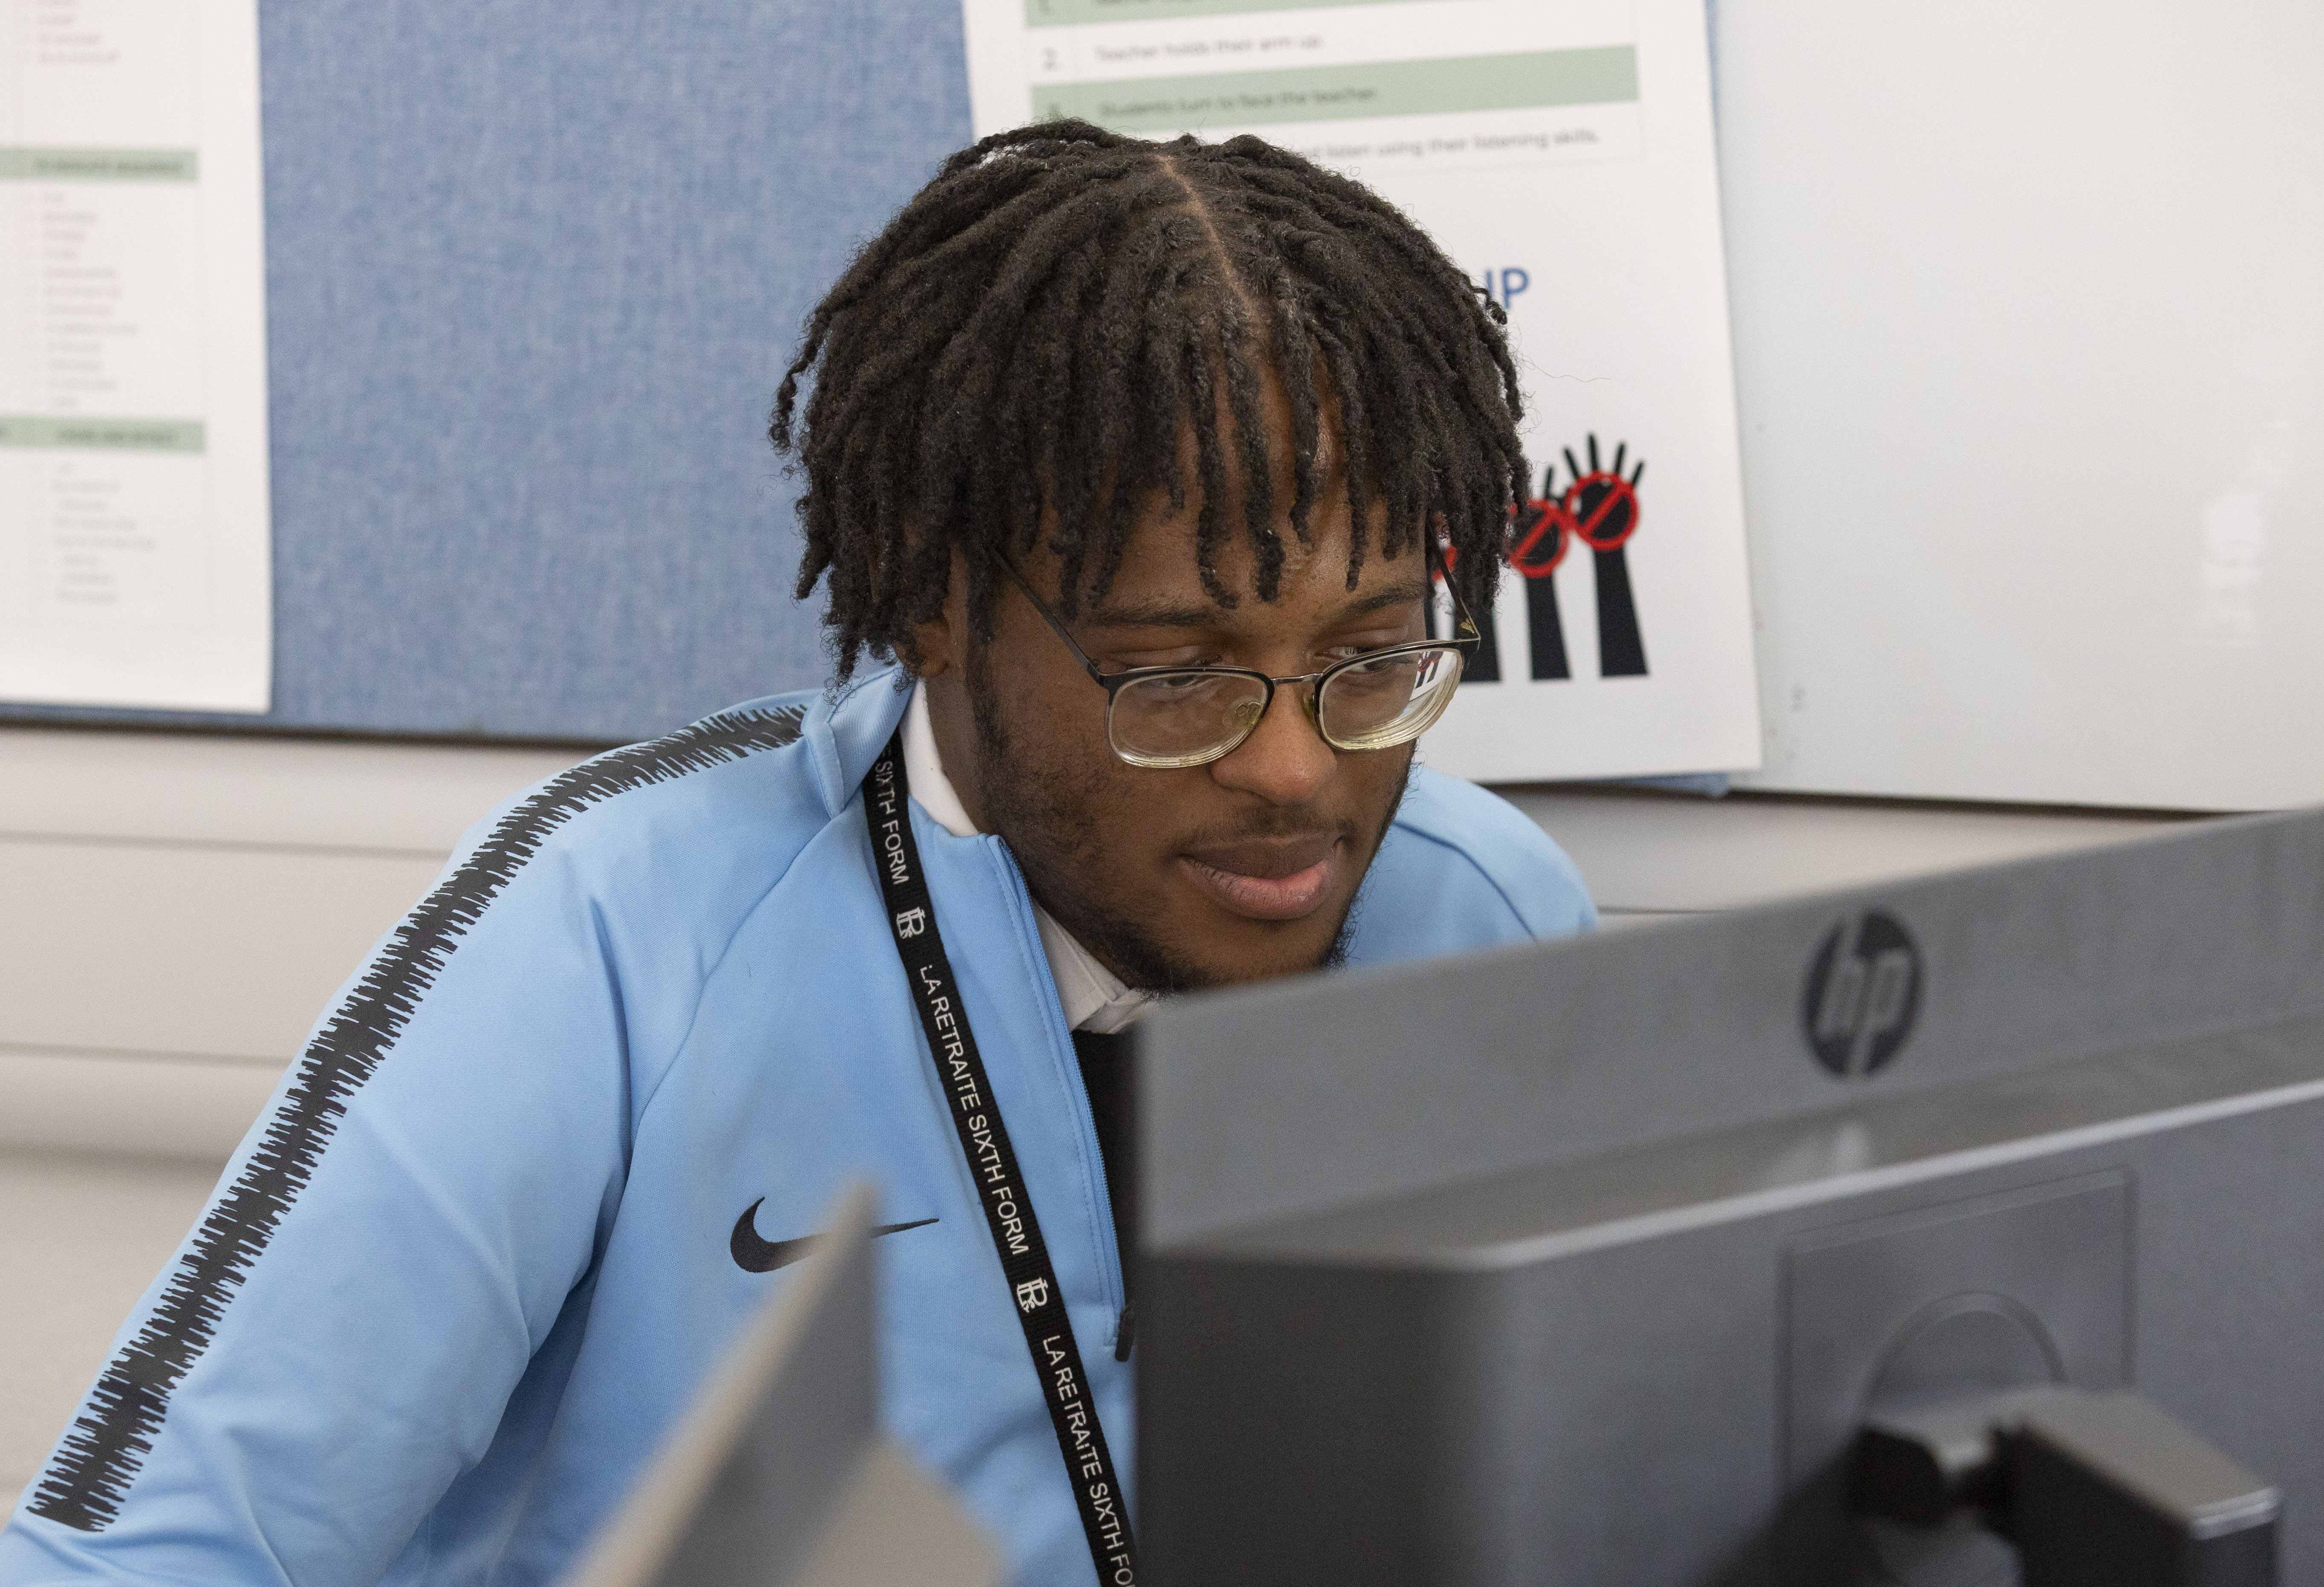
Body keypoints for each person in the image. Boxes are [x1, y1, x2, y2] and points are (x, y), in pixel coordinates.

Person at [0, 122, 1594, 1587]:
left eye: (1374, 661)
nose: (1297, 770)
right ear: (932, 603)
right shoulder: (611, 925)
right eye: (1175, 678)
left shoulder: (1494, 909)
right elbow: (152, 1554)